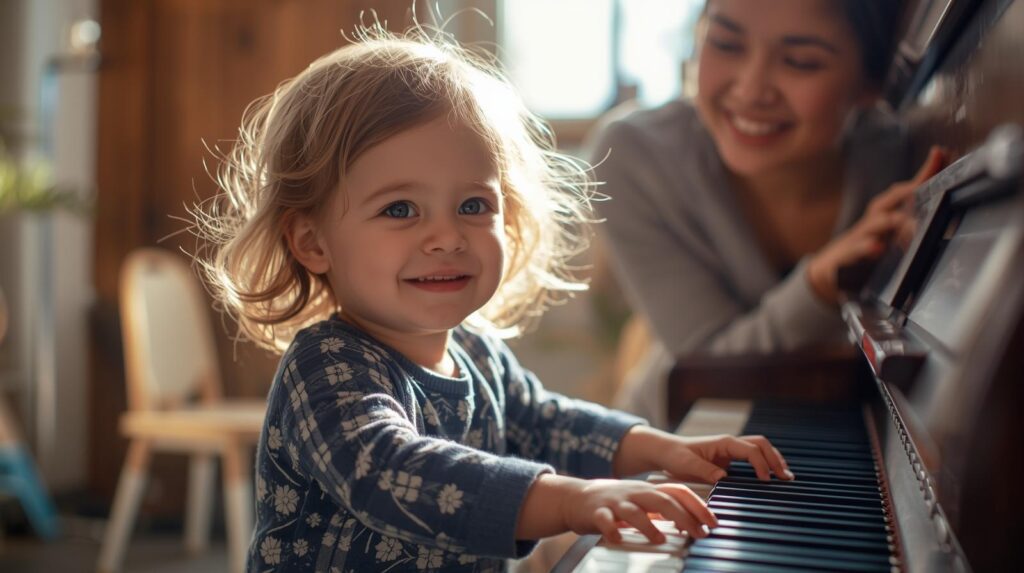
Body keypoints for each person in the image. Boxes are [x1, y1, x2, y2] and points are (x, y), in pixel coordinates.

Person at [191, 26, 792, 573]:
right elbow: (387, 469)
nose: (448, 236)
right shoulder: (325, 367)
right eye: (400, 209)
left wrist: (668, 449)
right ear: (312, 241)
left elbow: (546, 421)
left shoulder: (477, 351)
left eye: (474, 206)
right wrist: (572, 499)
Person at [588, 0, 947, 427]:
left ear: (870, 81)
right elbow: (704, 365)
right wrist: (816, 286)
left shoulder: (902, 160)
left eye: (800, 61)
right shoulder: (634, 156)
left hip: (848, 440)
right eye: (724, 43)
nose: (751, 89)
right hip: (678, 440)